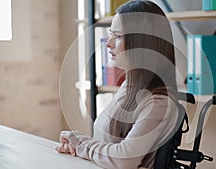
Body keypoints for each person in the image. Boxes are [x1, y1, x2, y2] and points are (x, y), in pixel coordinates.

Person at [56, 1, 184, 168]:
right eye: (111, 34)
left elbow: (125, 159)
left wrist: (81, 145)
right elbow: (109, 145)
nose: (108, 43)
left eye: (117, 36)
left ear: (141, 42)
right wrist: (78, 141)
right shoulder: (129, 87)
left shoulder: (159, 102)